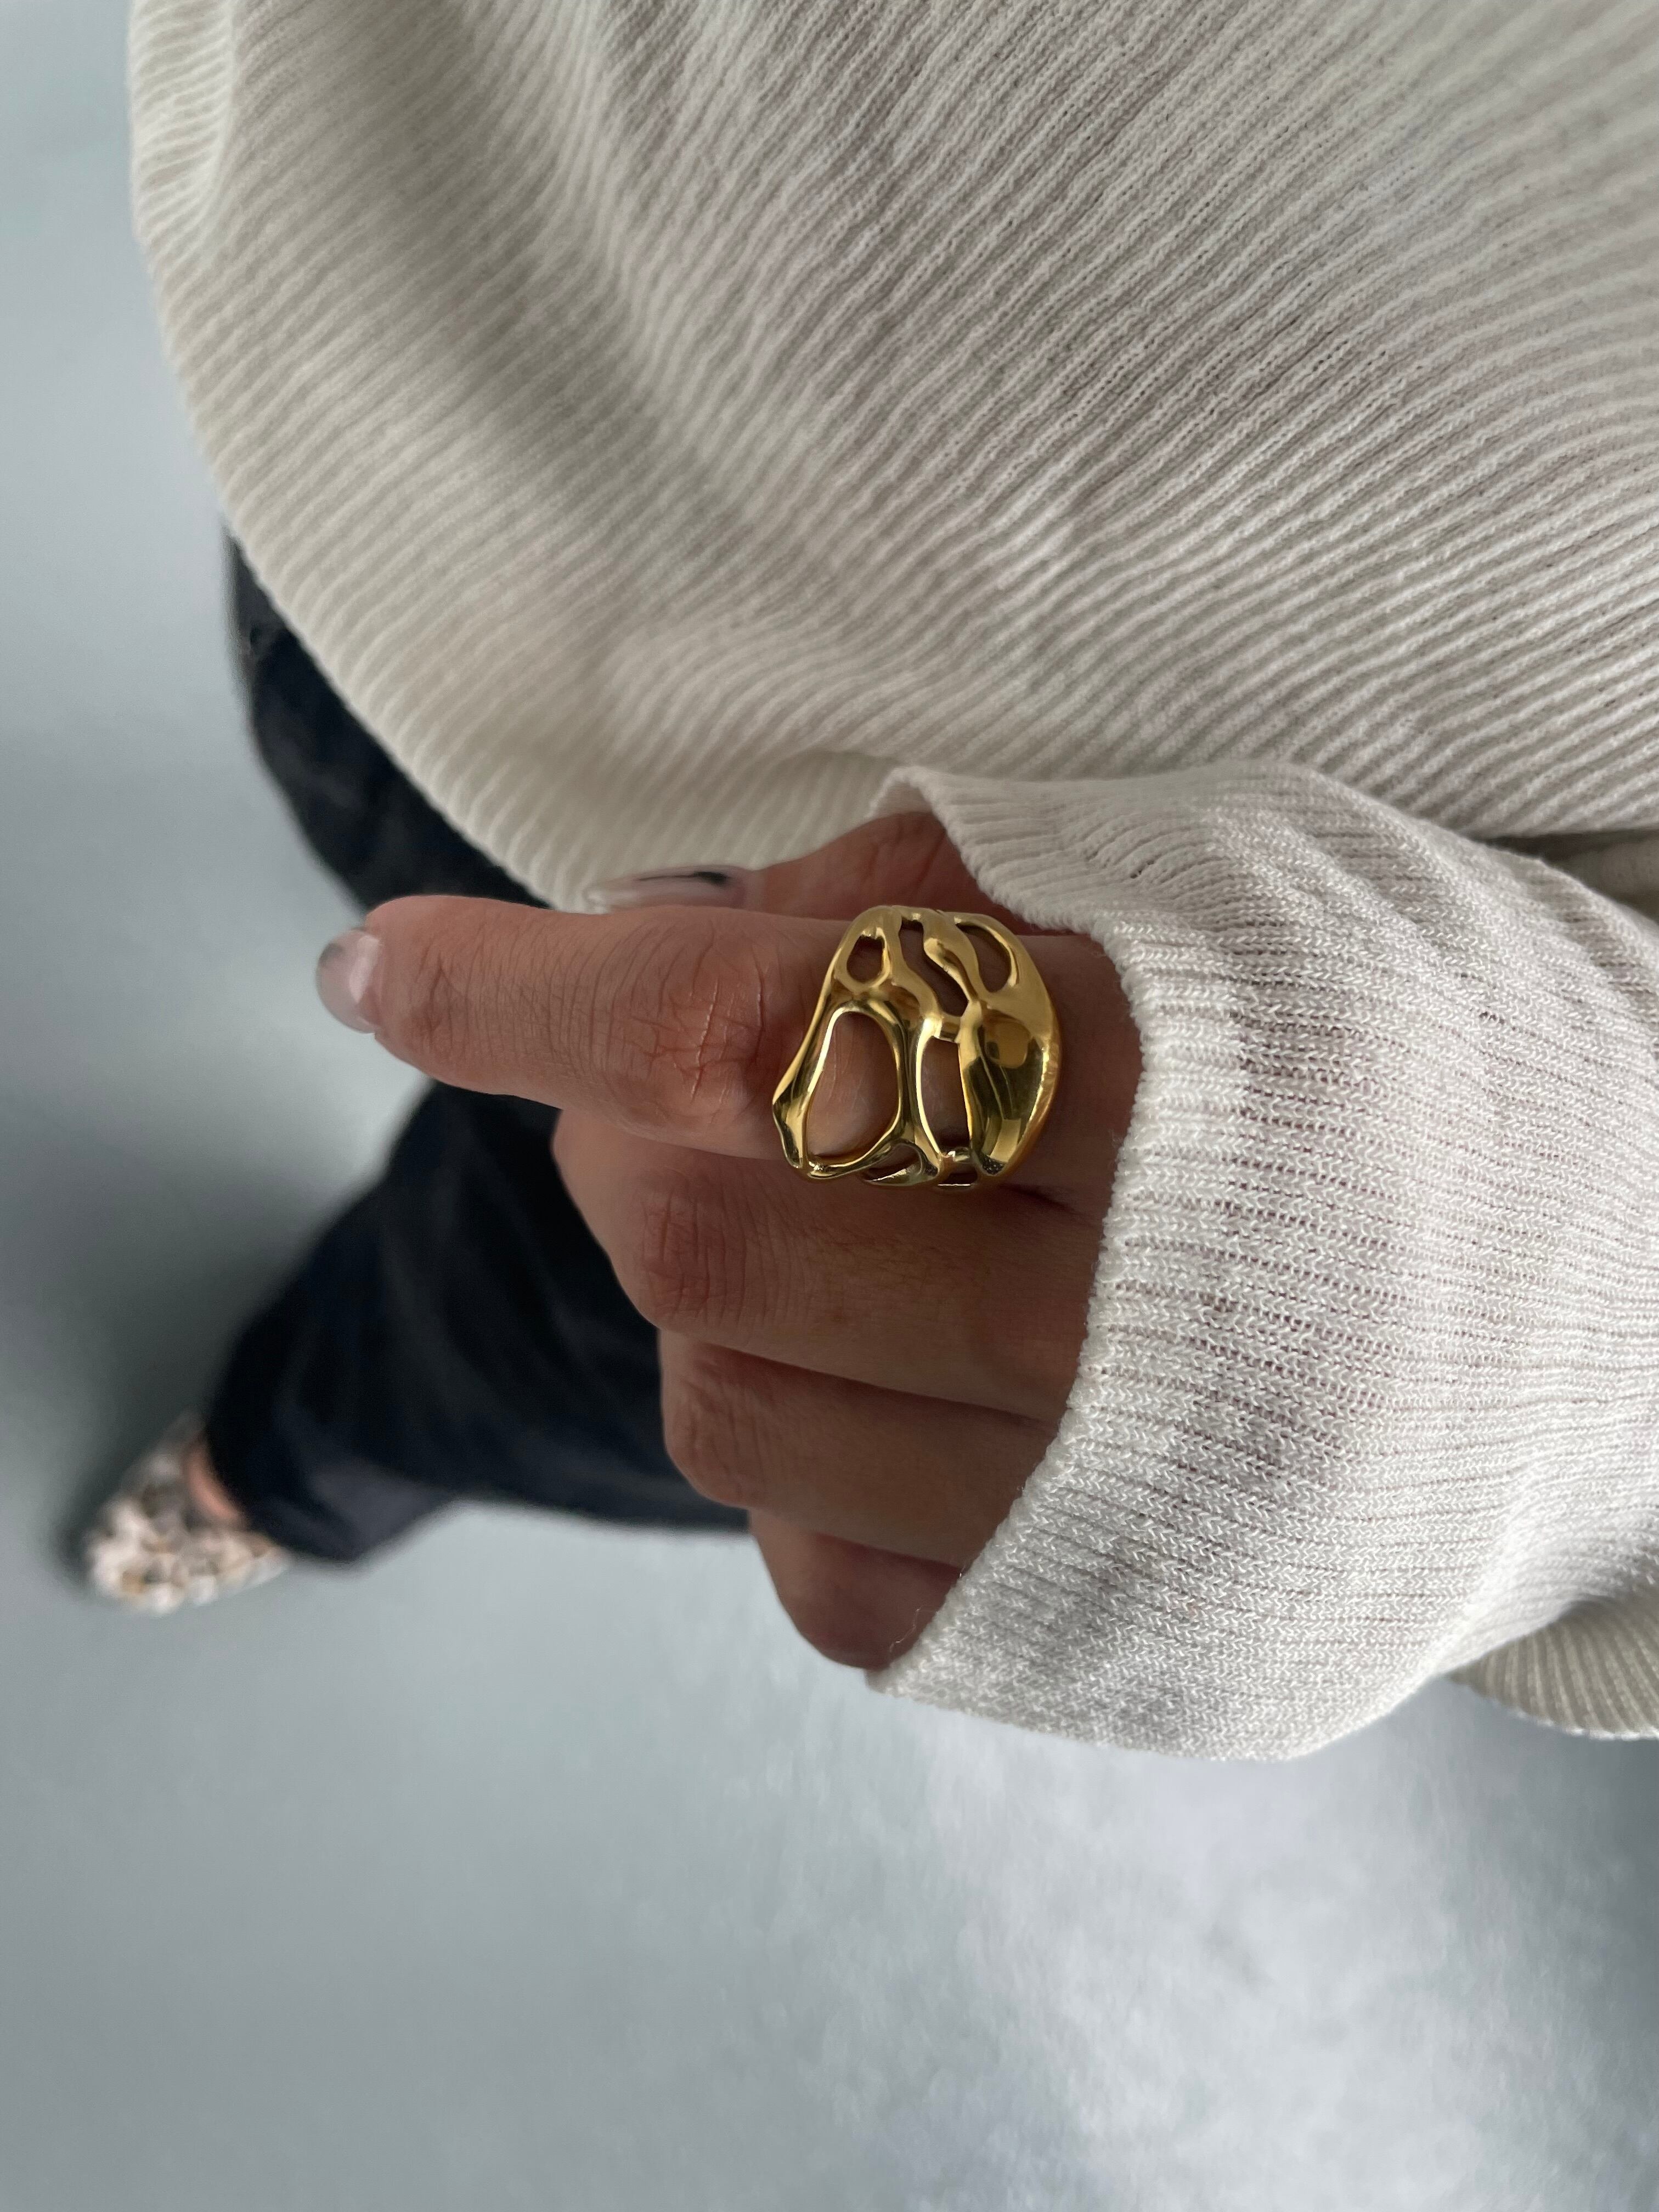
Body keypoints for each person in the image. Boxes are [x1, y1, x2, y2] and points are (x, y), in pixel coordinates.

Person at [87, 0, 1659, 1757]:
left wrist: (1593, 1318)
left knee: (569, 1316)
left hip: (1108, 1046)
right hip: (408, 293)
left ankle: (290, 1457)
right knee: (347, 773)